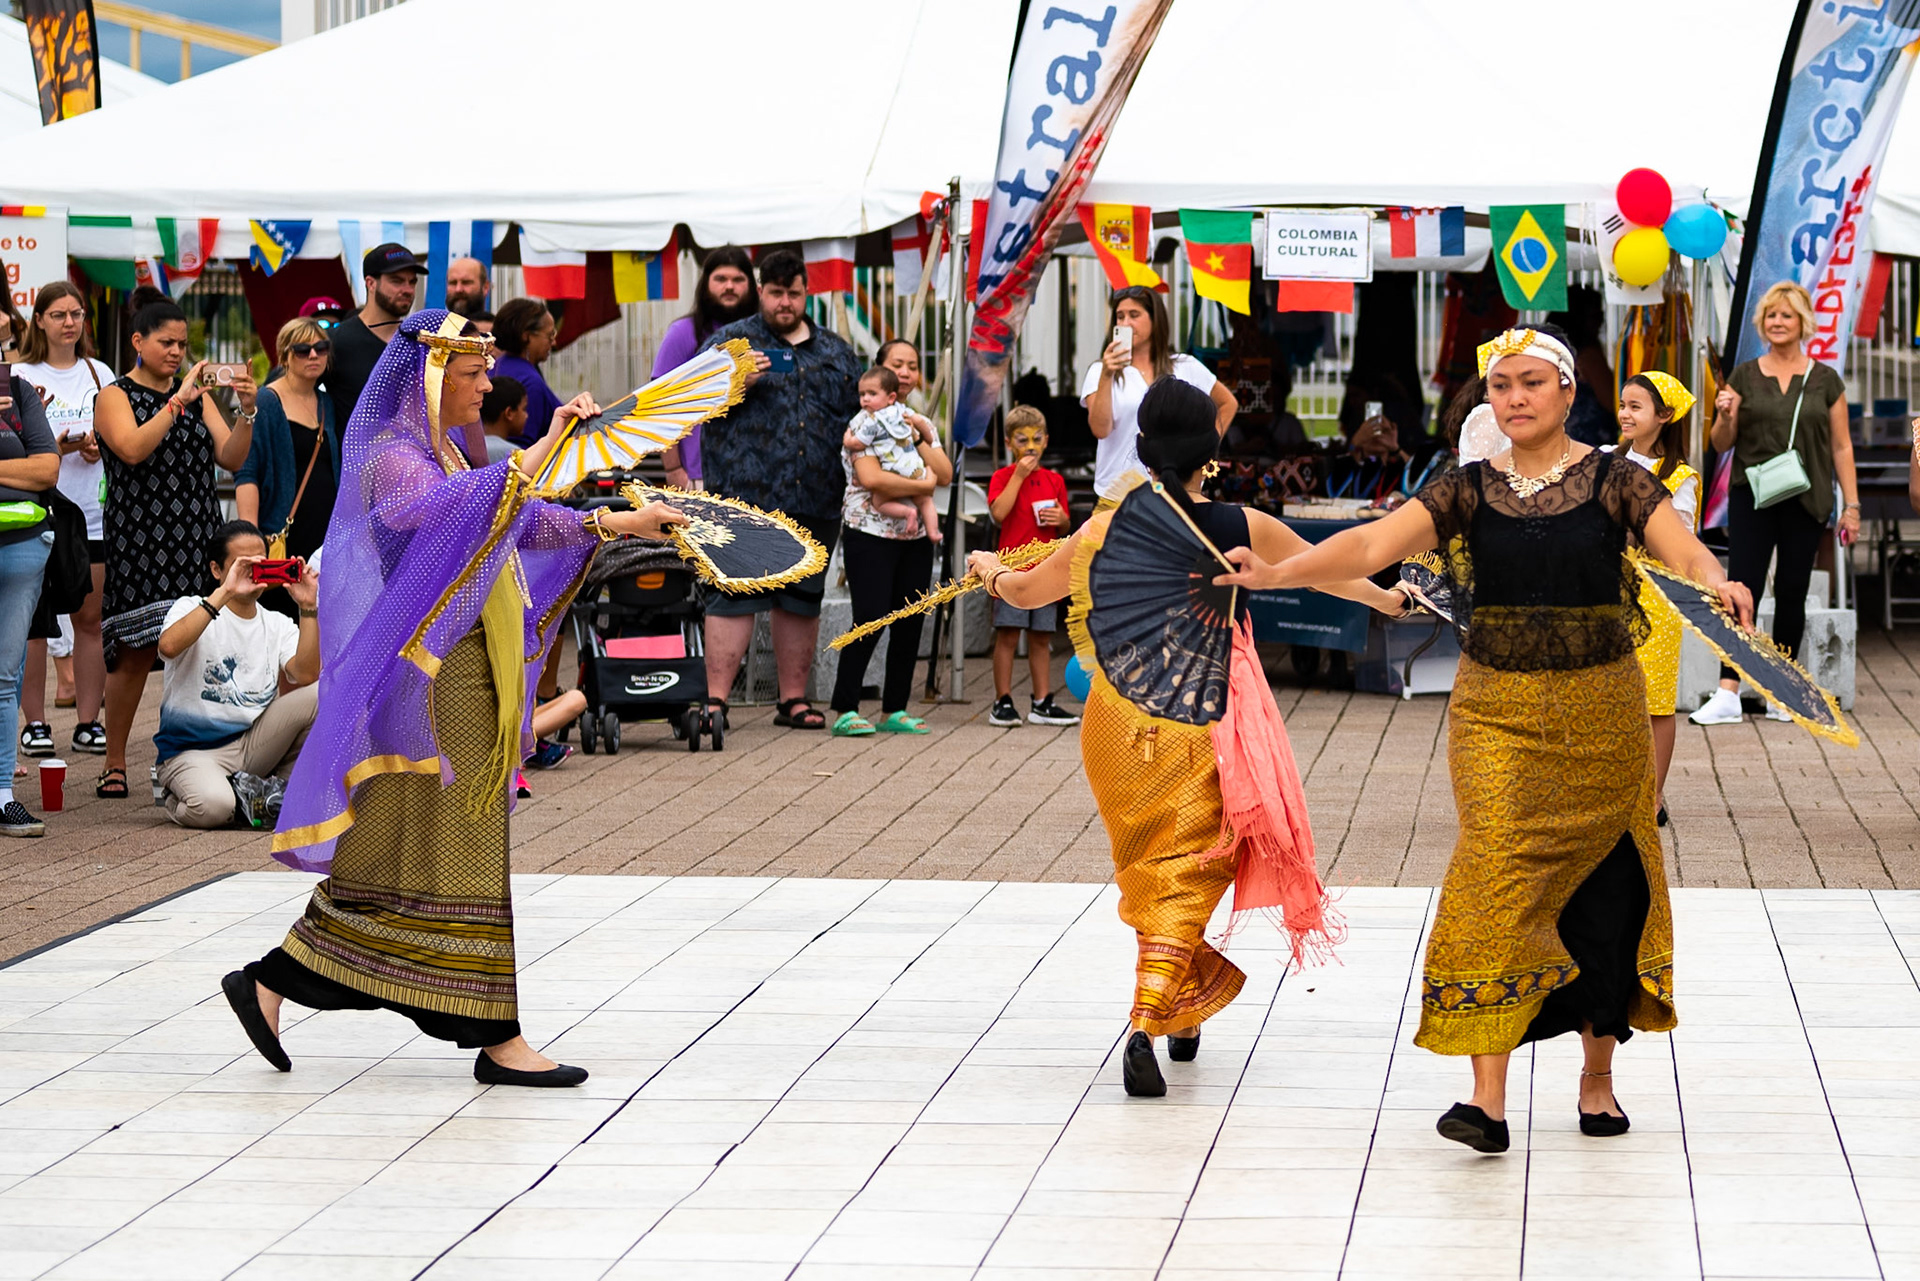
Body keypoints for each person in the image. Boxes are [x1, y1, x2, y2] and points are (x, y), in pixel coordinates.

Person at [1215, 325, 1754, 1153]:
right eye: (1501, 385)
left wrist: (1717, 578)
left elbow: (1679, 547)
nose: (1515, 398)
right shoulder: (1465, 488)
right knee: (1494, 869)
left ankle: (1597, 1075)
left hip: (1602, 714)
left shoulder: (1618, 480)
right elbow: (1371, 544)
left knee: (1606, 891)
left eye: (1532, 382)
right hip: (1494, 713)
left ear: (1568, 391)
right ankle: (1486, 1101)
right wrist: (1280, 571)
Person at [220, 310, 688, 1088]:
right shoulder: (393, 457)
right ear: (429, 378)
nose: (486, 387)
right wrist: (541, 454)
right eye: (472, 374)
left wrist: (619, 520)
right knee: (465, 840)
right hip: (438, 675)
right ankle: (497, 1036)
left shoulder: (441, 452)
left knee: (406, 845)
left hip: (462, 665)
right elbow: (456, 511)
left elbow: (518, 519)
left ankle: (276, 978)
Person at [968, 380, 1405, 1095]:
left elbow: (1024, 593)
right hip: (1202, 713)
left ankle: (1182, 1006)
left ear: (1141, 448)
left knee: (1155, 862)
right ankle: (1146, 1021)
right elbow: (1329, 571)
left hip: (1117, 718)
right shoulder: (1240, 525)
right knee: (1193, 862)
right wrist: (1390, 597)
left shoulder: (1107, 526)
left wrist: (990, 570)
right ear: (1212, 450)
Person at [93, 301, 257, 801]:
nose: (176, 352)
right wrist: (176, 403)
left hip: (196, 534)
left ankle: (191, 754)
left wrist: (246, 411)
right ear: (138, 342)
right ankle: (114, 761)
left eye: (182, 344)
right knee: (135, 651)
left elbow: (231, 456)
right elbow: (131, 448)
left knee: (200, 642)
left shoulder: (196, 395)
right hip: (140, 536)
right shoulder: (114, 395)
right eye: (166, 342)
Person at [698, 249, 862, 732]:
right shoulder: (729, 344)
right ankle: (714, 701)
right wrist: (734, 384)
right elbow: (691, 402)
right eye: (775, 293)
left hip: (816, 495)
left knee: (801, 599)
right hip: (742, 498)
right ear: (760, 291)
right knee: (732, 595)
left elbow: (859, 416)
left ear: (807, 292)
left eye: (793, 293)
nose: (784, 302)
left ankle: (792, 700)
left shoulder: (836, 351)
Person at [1692, 281, 1860, 726]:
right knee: (1739, 588)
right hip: (1753, 495)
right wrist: (1725, 414)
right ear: (1761, 322)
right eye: (1771, 315)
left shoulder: (1825, 380)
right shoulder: (1744, 376)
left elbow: (1842, 446)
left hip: (1807, 498)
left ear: (1803, 322)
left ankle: (1781, 692)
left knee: (1791, 591)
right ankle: (1728, 690)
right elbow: (1721, 443)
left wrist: (1852, 506)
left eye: (1786, 315)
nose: (1778, 322)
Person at [154, 521, 321, 829]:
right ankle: (179, 793)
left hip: (253, 745)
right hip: (192, 751)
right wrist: (226, 592)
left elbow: (307, 674)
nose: (253, 572)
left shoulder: (276, 623)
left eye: (261, 564)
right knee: (214, 808)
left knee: (323, 693)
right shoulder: (191, 606)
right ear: (216, 569)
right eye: (243, 565)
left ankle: (274, 794)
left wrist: (308, 607)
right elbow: (168, 646)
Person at [16, 283, 115, 760]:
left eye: (76, 314)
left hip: (90, 515)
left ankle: (89, 722)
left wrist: (97, 445)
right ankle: (34, 724)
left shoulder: (99, 372)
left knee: (90, 620)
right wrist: (51, 446)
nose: (70, 323)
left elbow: (120, 435)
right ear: (38, 319)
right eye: (58, 314)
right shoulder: (19, 374)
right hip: (38, 510)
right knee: (33, 624)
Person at [827, 362, 952, 738]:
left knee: (910, 620)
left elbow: (945, 473)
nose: (908, 371)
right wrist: (923, 485)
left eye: (913, 366)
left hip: (914, 538)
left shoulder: (916, 421)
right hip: (869, 532)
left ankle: (894, 708)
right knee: (869, 617)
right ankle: (846, 708)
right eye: (898, 364)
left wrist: (916, 439)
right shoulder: (863, 421)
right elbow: (871, 478)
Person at [1617, 372, 1699, 825]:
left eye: (1636, 407)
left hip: (1657, 599)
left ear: (1664, 416)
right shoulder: (1605, 461)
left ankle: (1652, 795)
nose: (1625, 414)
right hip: (1606, 595)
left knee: (1656, 701)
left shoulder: (1681, 478)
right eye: (1623, 405)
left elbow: (1678, 547)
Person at [1083, 286, 1236, 509]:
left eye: (1134, 315)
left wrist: (1204, 449)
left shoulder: (1185, 365)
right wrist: (1107, 374)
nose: (1125, 323)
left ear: (1155, 320)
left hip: (1177, 493)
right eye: (1120, 316)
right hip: (1118, 495)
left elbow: (1228, 403)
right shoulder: (1099, 371)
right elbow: (1100, 429)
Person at [236, 317, 340, 620]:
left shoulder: (326, 403)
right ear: (284, 355)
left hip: (323, 534)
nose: (313, 355)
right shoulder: (267, 400)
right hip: (281, 534)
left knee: (316, 620)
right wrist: (251, 539)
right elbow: (247, 470)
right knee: (281, 621)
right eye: (302, 349)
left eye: (321, 348)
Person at [986, 405, 1077, 729]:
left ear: (1046, 440)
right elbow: (999, 513)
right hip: (1012, 571)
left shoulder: (1054, 480)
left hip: (1046, 572)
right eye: (1022, 440)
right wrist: (1019, 476)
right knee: (1008, 635)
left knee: (1041, 637)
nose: (1031, 446)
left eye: (1037, 439)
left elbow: (1065, 527)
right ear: (1009, 443)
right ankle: (1002, 700)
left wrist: (1062, 518)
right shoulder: (1002, 477)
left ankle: (1042, 701)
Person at [0, 363, 59, 837]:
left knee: (3, 677)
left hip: (22, 545)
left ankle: (2, 795)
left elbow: (47, 468)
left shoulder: (18, 392)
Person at [659, 247, 758, 489]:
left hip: (760, 477)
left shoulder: (764, 334)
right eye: (720, 279)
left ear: (753, 286)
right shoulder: (683, 333)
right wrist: (673, 469)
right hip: (699, 475)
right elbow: (661, 404)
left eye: (738, 280)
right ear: (705, 284)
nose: (729, 286)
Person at [327, 243, 425, 429]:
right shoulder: (336, 341)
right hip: (354, 446)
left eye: (412, 282)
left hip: (411, 447)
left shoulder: (420, 343)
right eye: (397, 281)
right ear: (371, 283)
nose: (408, 289)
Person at [842, 367, 940, 542]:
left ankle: (908, 513)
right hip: (915, 469)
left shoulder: (871, 420)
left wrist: (848, 440)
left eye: (872, 394)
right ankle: (934, 532)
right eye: (862, 394)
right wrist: (927, 438)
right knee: (925, 501)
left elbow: (859, 444)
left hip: (893, 472)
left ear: (891, 397)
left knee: (879, 502)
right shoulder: (903, 412)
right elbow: (920, 422)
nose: (865, 399)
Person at [490, 299, 563, 450]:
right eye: (550, 335)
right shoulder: (530, 382)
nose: (554, 342)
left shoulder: (496, 365)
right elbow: (523, 445)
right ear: (526, 336)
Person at [477, 376, 526, 465]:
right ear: (509, 413)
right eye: (524, 409)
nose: (526, 416)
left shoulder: (469, 448)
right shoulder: (512, 454)